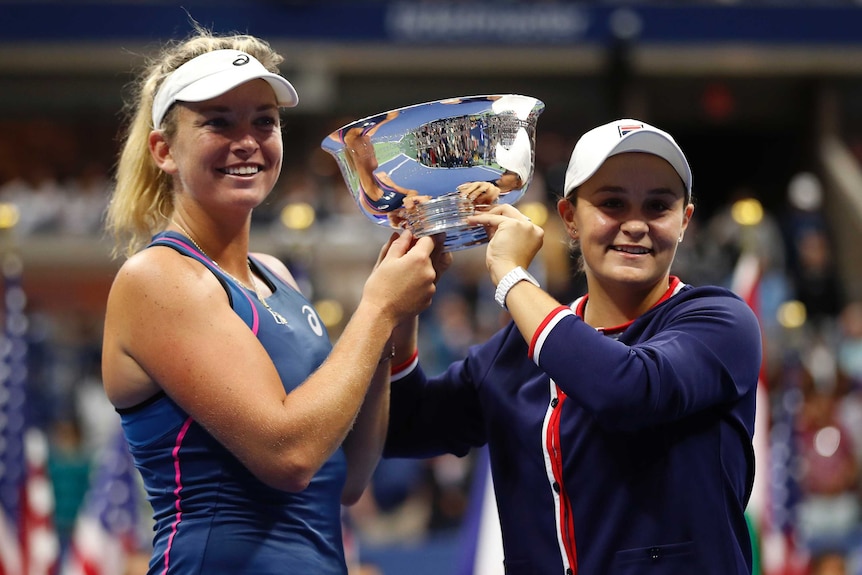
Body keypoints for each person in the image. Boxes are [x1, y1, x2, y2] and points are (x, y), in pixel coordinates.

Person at [101, 28, 443, 574]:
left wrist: (396, 321)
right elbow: (290, 457)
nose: (247, 140)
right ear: (164, 150)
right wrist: (376, 307)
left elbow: (350, 476)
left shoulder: (277, 277)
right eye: (218, 121)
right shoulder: (159, 278)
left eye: (264, 120)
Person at [384, 119, 762, 573]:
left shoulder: (720, 322)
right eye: (612, 203)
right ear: (570, 218)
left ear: (684, 222)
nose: (636, 225)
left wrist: (510, 275)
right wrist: (399, 312)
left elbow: (626, 390)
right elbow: (404, 426)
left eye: (658, 206)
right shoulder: (515, 349)